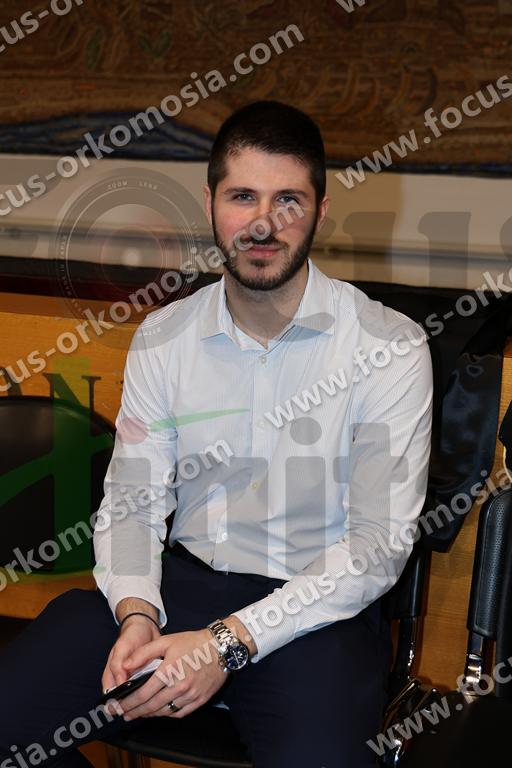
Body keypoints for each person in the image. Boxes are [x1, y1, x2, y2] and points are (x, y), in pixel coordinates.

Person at [0, 100, 433, 768]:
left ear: (320, 211)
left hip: (314, 614)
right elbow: (134, 503)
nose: (263, 223)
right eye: (243, 196)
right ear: (210, 204)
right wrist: (137, 612)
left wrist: (227, 643)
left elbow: (376, 547)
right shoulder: (164, 336)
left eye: (288, 200)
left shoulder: (389, 347)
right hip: (178, 592)